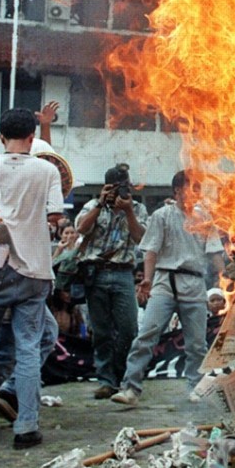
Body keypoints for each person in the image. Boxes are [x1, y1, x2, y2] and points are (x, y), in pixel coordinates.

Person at [0, 108, 64, 449]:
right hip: (34, 270)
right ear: (33, 137)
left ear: (1, 138)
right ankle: (27, 426)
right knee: (28, 347)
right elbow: (54, 218)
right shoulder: (47, 170)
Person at [111, 171, 225, 406]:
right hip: (165, 282)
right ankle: (131, 387)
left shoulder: (205, 219)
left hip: (194, 283)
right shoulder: (161, 216)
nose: (193, 194)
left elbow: (214, 252)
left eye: (197, 189)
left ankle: (196, 387)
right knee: (147, 335)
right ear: (176, 191)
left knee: (196, 344)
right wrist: (148, 279)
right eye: (189, 188)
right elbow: (151, 250)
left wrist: (224, 278)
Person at [75, 164, 148, 399]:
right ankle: (106, 379)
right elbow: (81, 229)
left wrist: (128, 212)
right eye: (115, 188)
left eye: (124, 186)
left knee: (128, 328)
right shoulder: (93, 206)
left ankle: (122, 375)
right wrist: (99, 203)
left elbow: (141, 239)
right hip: (95, 273)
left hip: (123, 273)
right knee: (101, 330)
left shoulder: (137, 208)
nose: (120, 192)